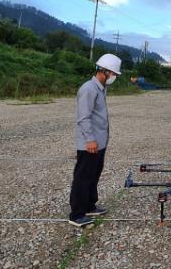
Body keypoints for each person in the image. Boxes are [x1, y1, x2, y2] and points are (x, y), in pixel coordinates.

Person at [68, 54, 121, 227]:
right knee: (83, 178)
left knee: (93, 175)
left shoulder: (101, 88)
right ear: (104, 71)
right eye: (113, 74)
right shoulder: (89, 89)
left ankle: (90, 205)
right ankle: (77, 214)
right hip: (90, 144)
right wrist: (90, 140)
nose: (114, 77)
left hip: (100, 142)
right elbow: (83, 118)